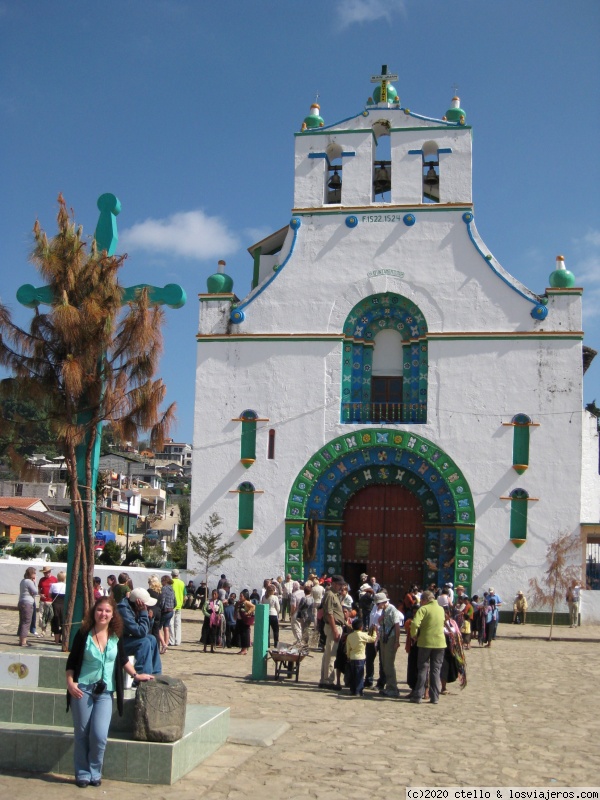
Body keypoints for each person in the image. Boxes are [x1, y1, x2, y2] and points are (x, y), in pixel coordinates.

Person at [66, 595, 154, 787]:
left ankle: (95, 771)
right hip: (83, 690)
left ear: (113, 614)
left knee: (99, 735)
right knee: (82, 733)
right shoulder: (83, 633)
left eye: (107, 611)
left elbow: (122, 659)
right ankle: (82, 772)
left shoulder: (116, 634)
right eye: (100, 610)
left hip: (106, 692)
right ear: (94, 612)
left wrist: (136, 675)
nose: (103, 614)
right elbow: (72, 662)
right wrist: (71, 683)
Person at [409, 589, 446, 704]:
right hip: (440, 643)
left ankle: (418, 695)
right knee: (436, 670)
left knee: (423, 669)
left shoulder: (423, 609)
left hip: (425, 642)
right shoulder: (441, 609)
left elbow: (415, 623)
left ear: (424, 600)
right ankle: (435, 697)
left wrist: (414, 635)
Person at [116, 588, 162, 675]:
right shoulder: (124, 610)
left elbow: (146, 631)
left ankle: (156, 674)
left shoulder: (134, 608)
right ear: (138, 603)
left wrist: (149, 619)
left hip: (127, 638)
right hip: (118, 643)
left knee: (151, 639)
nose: (147, 607)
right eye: (146, 605)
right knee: (144, 642)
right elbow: (141, 632)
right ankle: (143, 676)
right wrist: (143, 613)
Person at [319, 574, 346, 689]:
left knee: (328, 654)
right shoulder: (330, 595)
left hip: (335, 626)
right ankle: (328, 681)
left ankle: (324, 679)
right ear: (334, 584)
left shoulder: (335, 595)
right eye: (340, 584)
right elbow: (329, 613)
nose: (341, 587)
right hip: (332, 627)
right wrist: (335, 629)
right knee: (331, 654)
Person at [375, 593, 403, 698]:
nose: (377, 606)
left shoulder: (392, 610)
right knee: (384, 663)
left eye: (378, 603)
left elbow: (397, 626)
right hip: (384, 638)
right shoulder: (384, 610)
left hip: (390, 639)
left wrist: (397, 640)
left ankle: (393, 688)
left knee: (389, 664)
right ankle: (389, 686)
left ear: (383, 602)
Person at [346, 618, 377, 697]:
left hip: (352, 657)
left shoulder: (349, 636)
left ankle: (352, 690)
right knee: (359, 676)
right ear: (361, 627)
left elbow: (348, 648)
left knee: (353, 675)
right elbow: (372, 639)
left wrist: (348, 656)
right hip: (360, 658)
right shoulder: (362, 635)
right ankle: (358, 691)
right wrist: (374, 632)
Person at [18, 566, 37, 647]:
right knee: (26, 622)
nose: (35, 575)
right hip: (28, 603)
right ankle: (23, 642)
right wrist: (34, 582)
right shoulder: (29, 582)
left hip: (21, 601)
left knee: (22, 621)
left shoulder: (23, 581)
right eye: (34, 573)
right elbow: (35, 591)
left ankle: (21, 640)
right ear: (31, 574)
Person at [147, 575, 164, 653]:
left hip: (151, 610)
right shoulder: (160, 591)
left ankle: (150, 648)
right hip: (158, 611)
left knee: (150, 630)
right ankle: (156, 648)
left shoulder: (149, 591)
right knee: (156, 631)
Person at [38, 565, 57, 637]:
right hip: (43, 600)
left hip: (51, 600)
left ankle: (53, 630)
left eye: (47, 572)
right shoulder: (41, 580)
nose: (45, 574)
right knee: (42, 616)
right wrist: (40, 594)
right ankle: (43, 631)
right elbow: (39, 589)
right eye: (44, 573)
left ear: (50, 572)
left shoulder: (54, 579)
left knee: (51, 616)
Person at [169, 568, 186, 646]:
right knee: (178, 623)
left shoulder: (170, 582)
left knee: (171, 623)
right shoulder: (182, 583)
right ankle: (178, 641)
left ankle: (171, 640)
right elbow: (185, 596)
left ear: (172, 575)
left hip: (171, 605)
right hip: (179, 605)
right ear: (178, 575)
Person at [160, 574, 176, 653]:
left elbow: (162, 600)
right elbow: (175, 601)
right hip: (171, 610)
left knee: (158, 629)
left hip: (165, 610)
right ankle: (166, 644)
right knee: (166, 627)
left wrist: (160, 608)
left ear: (164, 581)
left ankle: (163, 644)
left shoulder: (164, 589)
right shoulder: (172, 589)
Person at [50, 570, 67, 644]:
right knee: (63, 622)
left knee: (55, 622)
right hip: (63, 606)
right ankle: (63, 639)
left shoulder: (53, 585)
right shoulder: (66, 586)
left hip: (55, 605)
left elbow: (50, 595)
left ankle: (56, 640)